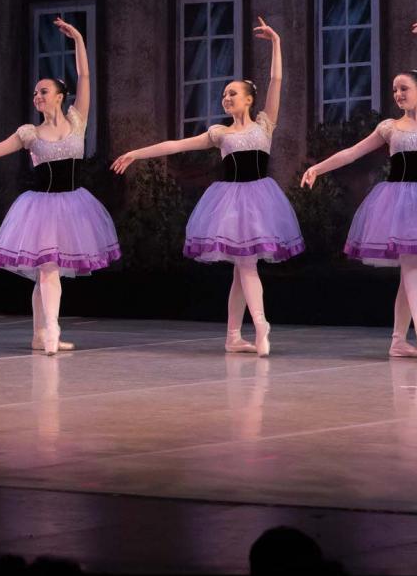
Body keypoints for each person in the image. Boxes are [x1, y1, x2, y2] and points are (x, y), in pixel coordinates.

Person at [112, 18, 302, 356]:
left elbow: (276, 81)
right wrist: (136, 153)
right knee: (244, 266)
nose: (226, 98)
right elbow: (176, 145)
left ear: (249, 100)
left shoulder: (265, 125)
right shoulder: (220, 133)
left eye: (233, 93)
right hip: (231, 203)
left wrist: (276, 43)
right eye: (224, 94)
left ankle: (238, 334)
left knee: (243, 269)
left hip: (259, 201)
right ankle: (258, 326)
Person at [0, 17, 118, 354]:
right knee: (47, 270)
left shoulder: (77, 119)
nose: (37, 96)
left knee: (46, 273)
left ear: (60, 96)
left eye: (43, 91)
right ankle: (52, 331)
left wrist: (78, 39)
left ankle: (39, 334)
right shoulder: (29, 133)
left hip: (73, 206)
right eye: (35, 93)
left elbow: (85, 76)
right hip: (41, 208)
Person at [301, 23, 417, 362]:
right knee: (411, 266)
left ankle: (398, 340)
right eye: (395, 90)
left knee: (410, 269)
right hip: (397, 203)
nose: (398, 94)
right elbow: (352, 152)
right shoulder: (389, 127)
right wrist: (319, 167)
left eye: (404, 88)